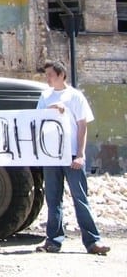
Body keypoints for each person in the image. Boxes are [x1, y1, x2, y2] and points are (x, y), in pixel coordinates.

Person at [35, 60, 110, 255]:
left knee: (80, 198)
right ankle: (53, 241)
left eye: (51, 75)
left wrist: (80, 155)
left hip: (71, 154)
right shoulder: (45, 96)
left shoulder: (75, 96)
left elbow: (82, 126)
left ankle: (93, 241)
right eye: (46, 75)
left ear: (61, 75)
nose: (47, 78)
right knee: (53, 199)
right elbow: (37, 120)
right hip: (51, 155)